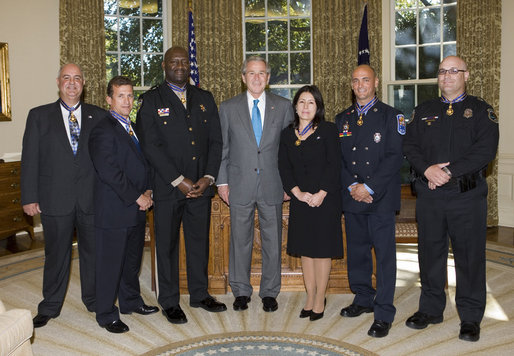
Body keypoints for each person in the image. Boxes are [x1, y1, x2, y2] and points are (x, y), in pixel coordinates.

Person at [403, 56, 499, 342]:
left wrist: (448, 171)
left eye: (453, 71)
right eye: (443, 72)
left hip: (466, 197)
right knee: (429, 254)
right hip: (430, 196)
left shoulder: (481, 111)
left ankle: (470, 317)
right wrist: (427, 169)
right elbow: (409, 144)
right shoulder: (423, 111)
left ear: (466, 75)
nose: (447, 76)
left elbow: (486, 150)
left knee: (469, 258)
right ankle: (431, 308)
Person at [135, 46, 226, 325]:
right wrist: (179, 180)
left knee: (199, 243)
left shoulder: (204, 98)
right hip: (167, 188)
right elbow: (150, 145)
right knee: (167, 246)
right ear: (164, 65)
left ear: (190, 65)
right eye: (173, 61)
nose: (179, 65)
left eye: (184, 61)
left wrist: (208, 177)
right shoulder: (151, 100)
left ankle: (199, 294)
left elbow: (215, 141)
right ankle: (170, 301)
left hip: (201, 187)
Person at [21, 63, 106, 327]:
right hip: (54, 198)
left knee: (93, 253)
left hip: (92, 198)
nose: (72, 83)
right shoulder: (38, 116)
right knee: (56, 255)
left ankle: (94, 301)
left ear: (84, 83)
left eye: (77, 78)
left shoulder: (100, 116)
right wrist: (29, 197)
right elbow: (30, 160)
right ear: (58, 82)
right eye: (66, 78)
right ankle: (50, 306)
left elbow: (107, 160)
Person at [217, 56, 294, 312]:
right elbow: (223, 149)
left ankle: (270, 291)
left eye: (262, 73)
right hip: (239, 183)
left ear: (269, 78)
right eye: (252, 73)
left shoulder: (283, 107)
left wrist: (289, 183)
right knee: (240, 239)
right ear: (243, 77)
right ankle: (241, 290)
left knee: (273, 239)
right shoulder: (228, 108)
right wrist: (222, 182)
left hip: (274, 182)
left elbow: (288, 150)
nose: (257, 78)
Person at [335, 64, 405, 338]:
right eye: (355, 80)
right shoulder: (343, 118)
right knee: (358, 252)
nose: (360, 84)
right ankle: (363, 298)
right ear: (351, 85)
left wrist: (369, 187)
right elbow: (338, 160)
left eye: (365, 79)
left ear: (376, 82)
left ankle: (384, 311)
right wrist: (353, 185)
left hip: (381, 199)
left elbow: (394, 157)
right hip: (352, 197)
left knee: (385, 257)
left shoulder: (392, 116)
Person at [88, 76, 159, 334]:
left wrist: (148, 189)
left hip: (136, 208)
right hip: (115, 209)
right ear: (109, 99)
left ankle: (130, 301)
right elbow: (110, 172)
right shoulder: (102, 129)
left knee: (131, 261)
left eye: (130, 96)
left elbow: (143, 163)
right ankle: (106, 313)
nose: (127, 101)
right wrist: (137, 196)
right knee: (110, 264)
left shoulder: (133, 127)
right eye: (121, 96)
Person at [278, 85, 343, 321]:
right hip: (300, 200)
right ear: (295, 106)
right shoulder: (287, 134)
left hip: (325, 200)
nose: (306, 107)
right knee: (306, 250)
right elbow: (283, 166)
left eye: (311, 102)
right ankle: (309, 295)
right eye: (302, 102)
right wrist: (296, 193)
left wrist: (321, 193)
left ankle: (319, 298)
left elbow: (334, 165)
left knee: (321, 250)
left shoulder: (328, 130)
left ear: (318, 107)